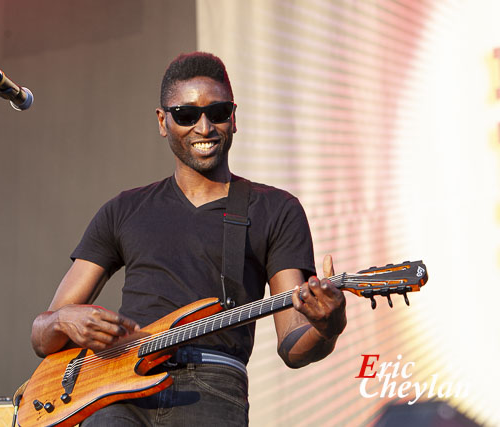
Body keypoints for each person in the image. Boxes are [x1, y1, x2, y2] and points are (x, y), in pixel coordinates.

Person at [30, 52, 346, 426]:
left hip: (212, 387)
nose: (204, 127)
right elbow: (41, 335)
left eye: (218, 112)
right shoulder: (124, 209)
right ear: (163, 122)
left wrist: (329, 324)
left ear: (234, 118)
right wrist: (66, 320)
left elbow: (293, 346)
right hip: (115, 389)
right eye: (186, 115)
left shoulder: (276, 208)